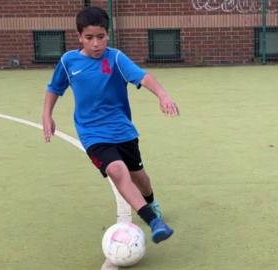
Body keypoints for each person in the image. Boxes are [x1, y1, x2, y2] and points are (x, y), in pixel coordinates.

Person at [42, 6, 179, 243]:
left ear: (108, 34)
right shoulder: (68, 61)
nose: (96, 43)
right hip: (92, 132)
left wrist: (162, 95)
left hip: (122, 130)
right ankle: (154, 221)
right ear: (79, 37)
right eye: (89, 38)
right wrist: (47, 115)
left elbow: (143, 77)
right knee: (116, 170)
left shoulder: (115, 57)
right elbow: (54, 88)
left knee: (140, 177)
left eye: (101, 37)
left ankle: (151, 202)